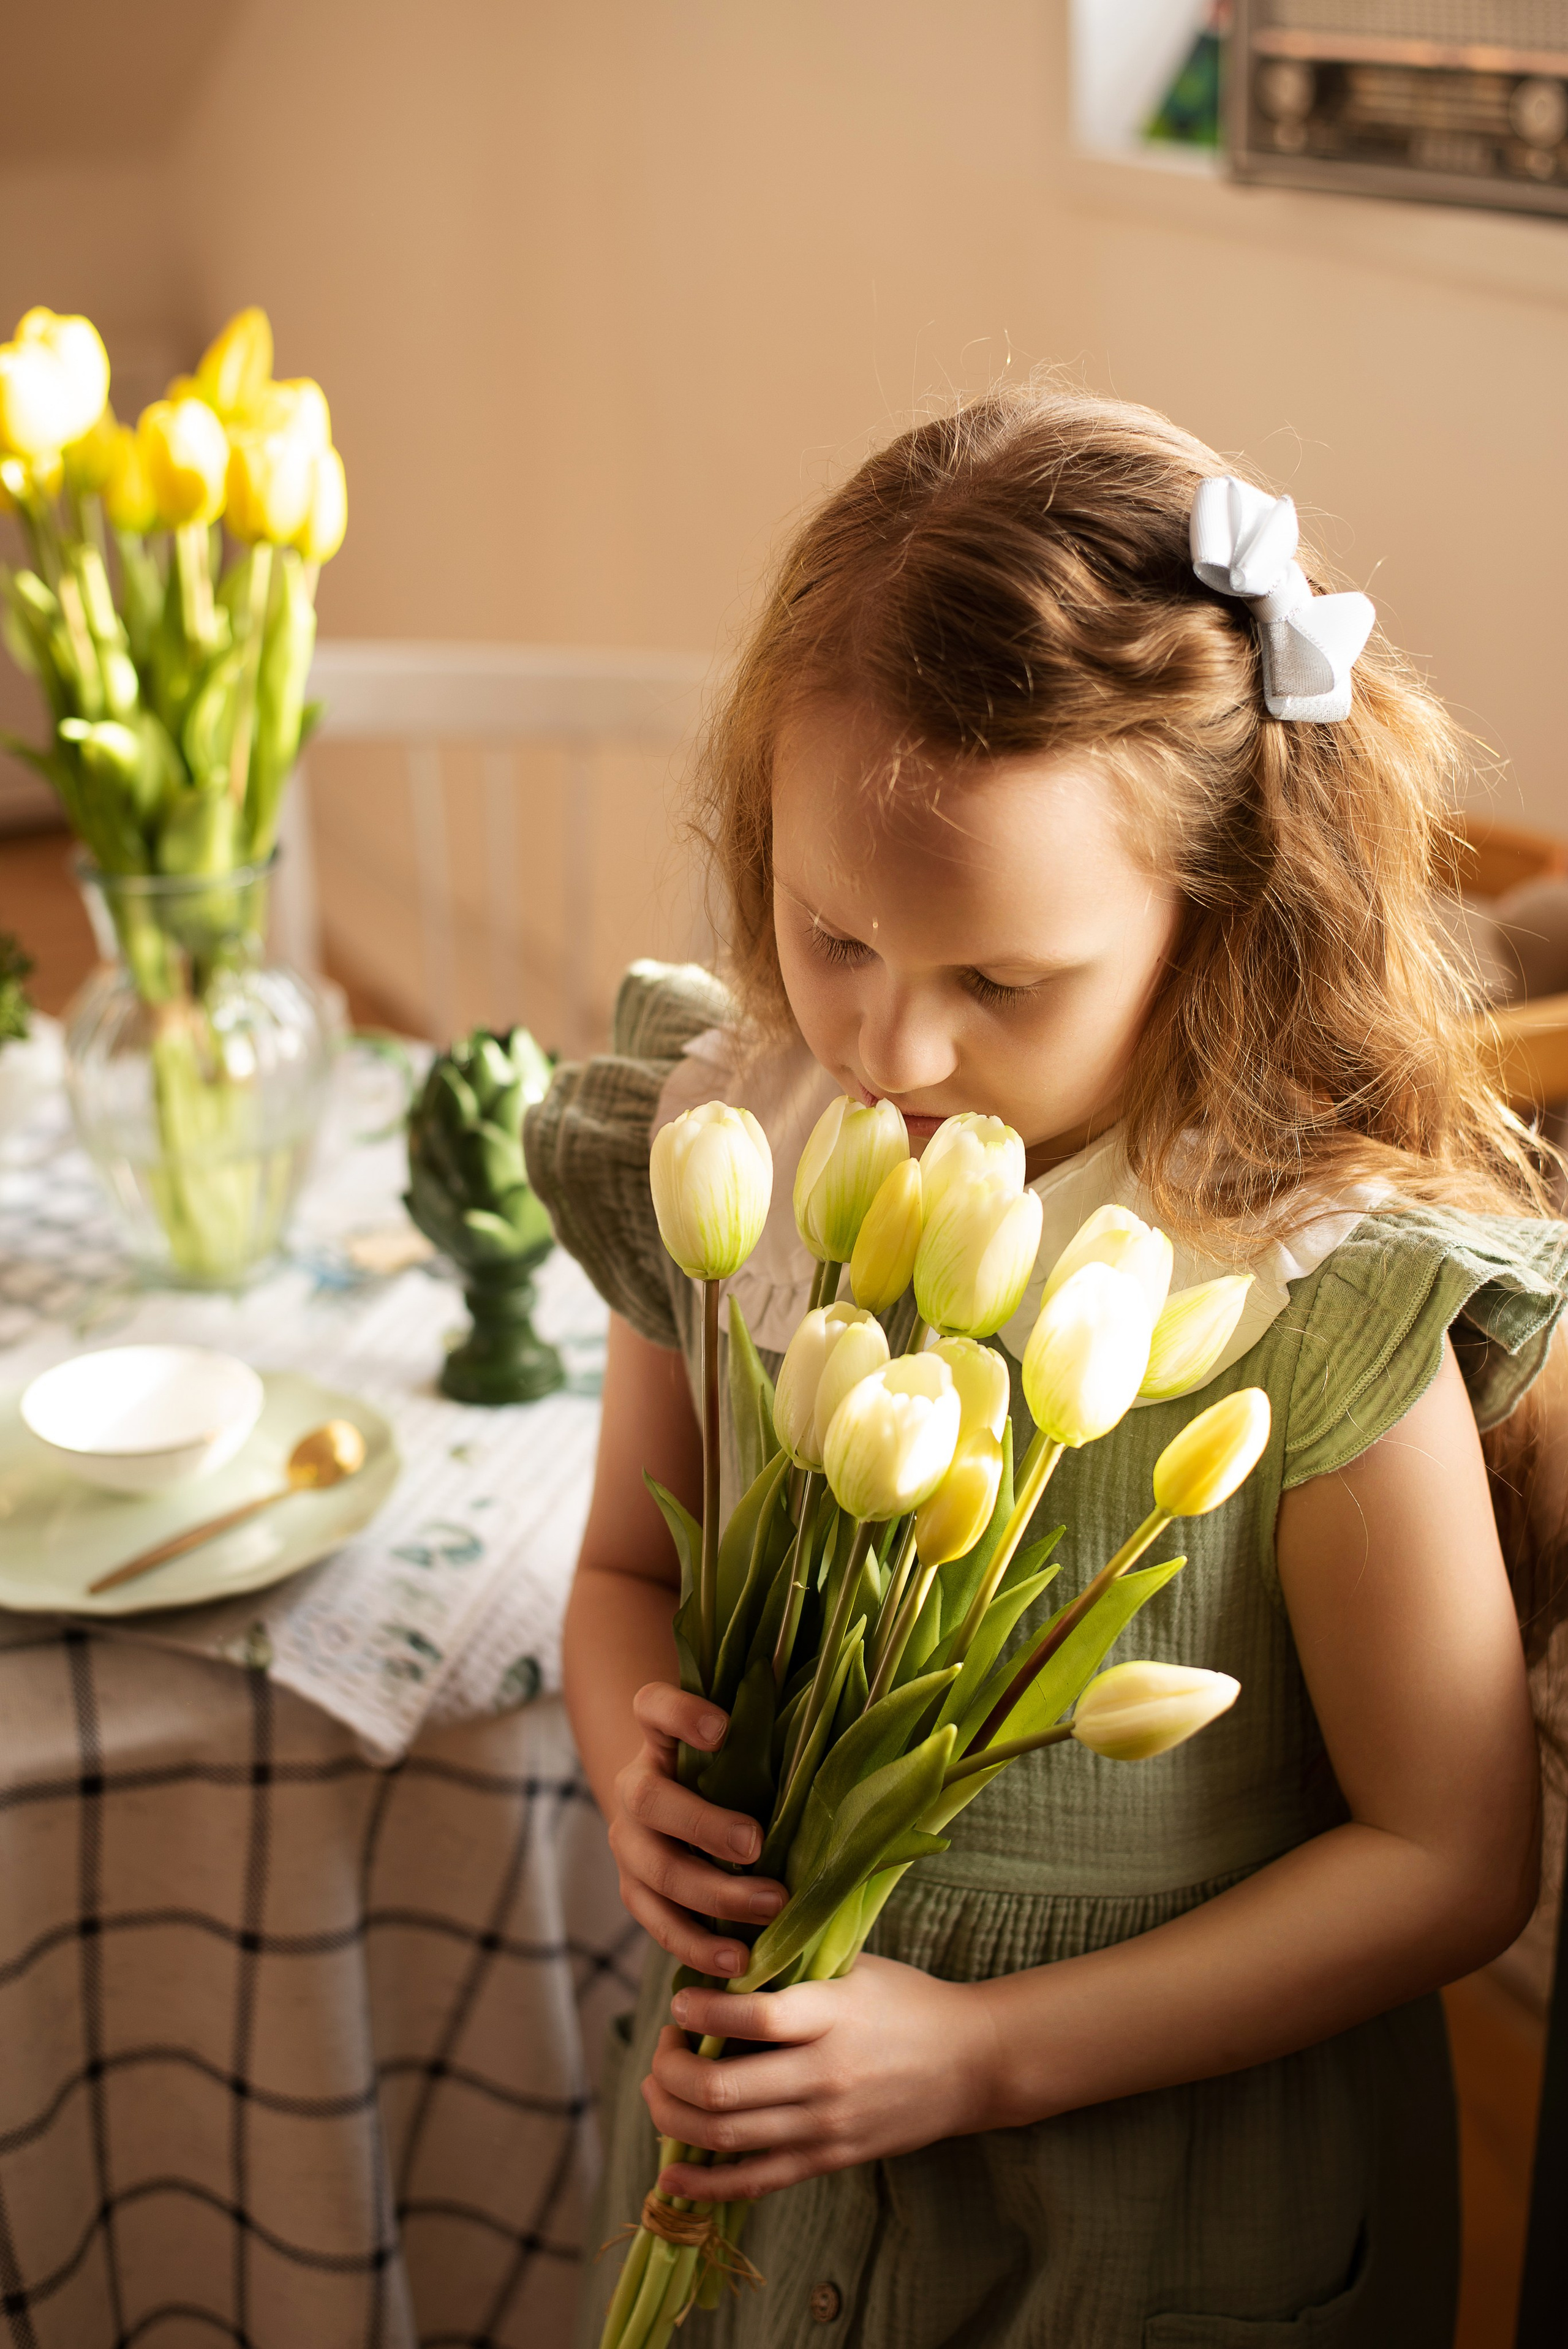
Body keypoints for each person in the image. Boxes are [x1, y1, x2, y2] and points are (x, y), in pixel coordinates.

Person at [528, 385, 1568, 2347]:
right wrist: (627, 1738)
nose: (885, 1049)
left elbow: (1453, 1858)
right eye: (827, 927)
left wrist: (983, 2056)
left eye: (999, 982)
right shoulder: (733, 1144)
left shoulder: (1299, 1287)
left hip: (1155, 2208)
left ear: (1219, 920)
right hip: (779, 2153)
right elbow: (622, 1573)